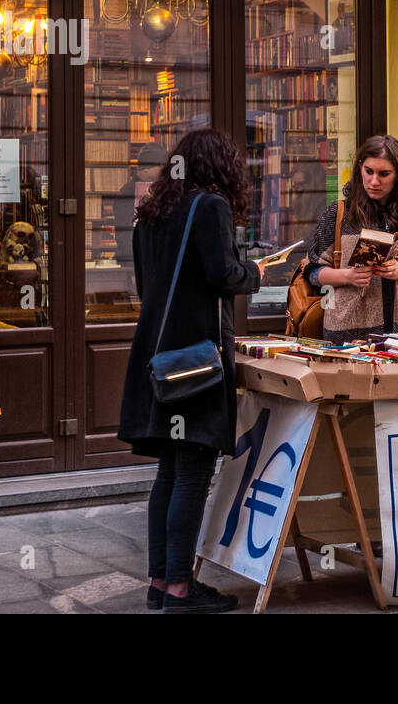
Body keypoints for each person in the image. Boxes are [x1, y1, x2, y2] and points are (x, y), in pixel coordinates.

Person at [117, 128, 271, 614]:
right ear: (219, 166)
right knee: (192, 474)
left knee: (169, 471)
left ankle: (161, 582)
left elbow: (147, 287)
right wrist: (256, 274)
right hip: (198, 363)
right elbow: (223, 275)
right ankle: (181, 590)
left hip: (161, 361)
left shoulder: (151, 213)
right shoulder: (211, 207)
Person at [304, 134, 398, 342]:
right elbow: (313, 271)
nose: (374, 181)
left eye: (384, 174)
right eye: (368, 171)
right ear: (359, 167)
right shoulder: (340, 213)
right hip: (348, 333)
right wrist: (347, 276)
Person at [114, 141, 169, 270]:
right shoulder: (128, 192)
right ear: (148, 168)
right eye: (162, 167)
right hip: (134, 262)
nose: (165, 172)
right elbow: (124, 233)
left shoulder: (158, 189)